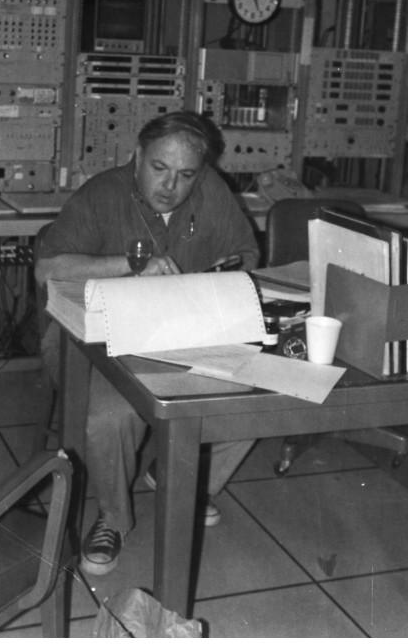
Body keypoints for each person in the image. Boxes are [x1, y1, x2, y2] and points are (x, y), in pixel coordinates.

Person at [35, 111, 259, 576]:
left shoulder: (211, 191)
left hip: (179, 331)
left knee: (259, 391)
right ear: (137, 157)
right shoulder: (103, 193)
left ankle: (186, 481)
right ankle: (114, 517)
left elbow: (248, 253)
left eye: (185, 175)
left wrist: (227, 267)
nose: (170, 186)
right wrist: (130, 265)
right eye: (159, 168)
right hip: (93, 336)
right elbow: (48, 268)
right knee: (110, 416)